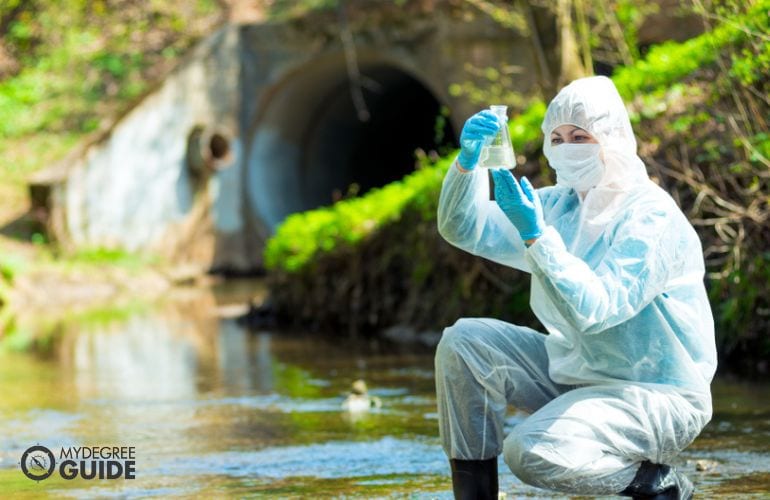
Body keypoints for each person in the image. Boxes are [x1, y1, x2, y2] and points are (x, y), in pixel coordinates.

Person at [435, 75, 717, 499]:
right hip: (576, 372)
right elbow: (465, 227)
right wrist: (466, 166)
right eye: (558, 137)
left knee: (532, 452)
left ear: (611, 138)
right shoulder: (558, 204)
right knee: (464, 344)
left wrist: (536, 236)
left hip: (656, 395)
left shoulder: (651, 219)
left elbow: (598, 308)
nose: (567, 147)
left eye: (580, 136)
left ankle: (658, 485)